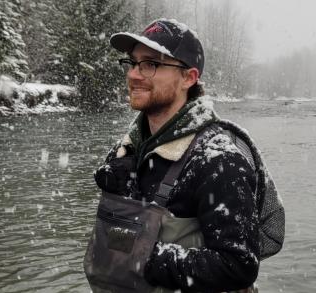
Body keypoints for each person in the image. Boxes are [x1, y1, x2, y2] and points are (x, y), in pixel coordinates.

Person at [86, 18, 283, 293]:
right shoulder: (130, 146)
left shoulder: (218, 159)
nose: (133, 74)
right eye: (132, 63)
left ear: (188, 78)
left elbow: (239, 265)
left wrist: (143, 257)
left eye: (151, 64)